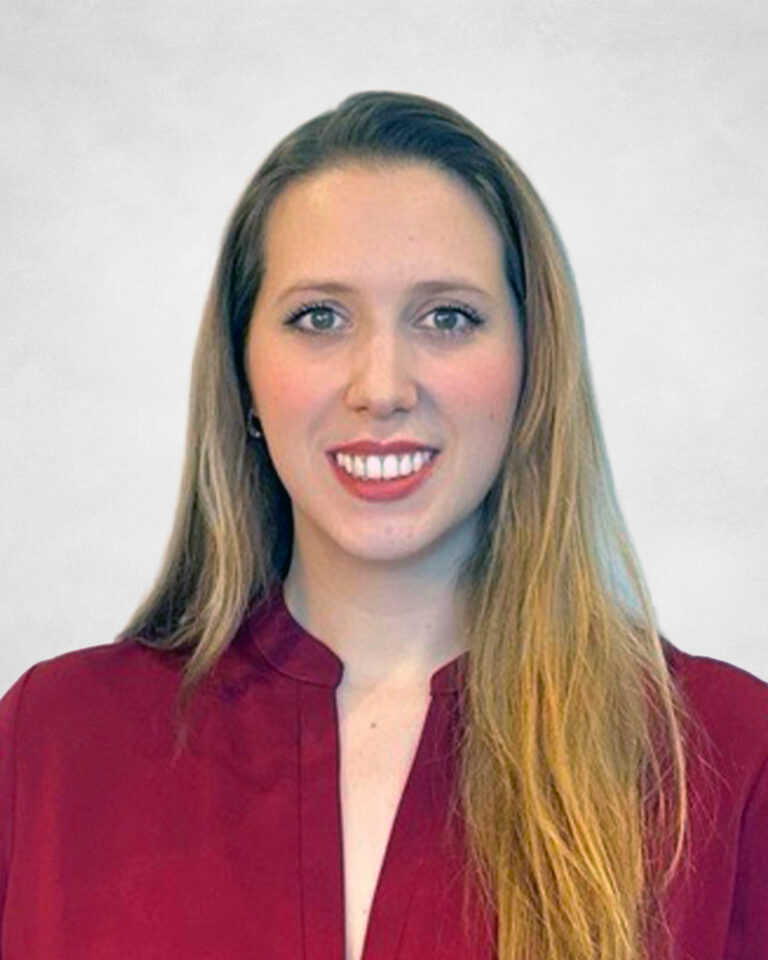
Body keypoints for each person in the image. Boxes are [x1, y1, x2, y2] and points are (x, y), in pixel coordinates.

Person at [0, 91, 766, 960]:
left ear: (531, 366)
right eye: (318, 317)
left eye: (447, 317)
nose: (381, 384)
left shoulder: (726, 757)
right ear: (244, 374)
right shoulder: (56, 748)